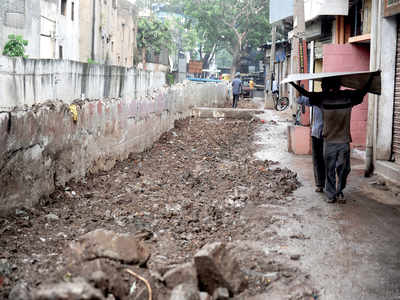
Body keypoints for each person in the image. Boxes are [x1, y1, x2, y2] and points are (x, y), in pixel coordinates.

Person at [290, 75, 374, 203]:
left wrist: (371, 78)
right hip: (328, 140)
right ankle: (331, 193)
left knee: (343, 169)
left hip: (341, 140)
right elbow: (306, 95)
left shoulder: (345, 97)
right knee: (329, 168)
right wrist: (294, 84)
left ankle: (338, 191)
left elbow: (362, 91)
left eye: (329, 85)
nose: (328, 88)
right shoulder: (324, 99)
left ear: (336, 86)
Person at [296, 91, 325, 193]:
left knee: (319, 160)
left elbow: (299, 99)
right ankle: (323, 185)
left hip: (320, 133)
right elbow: (300, 100)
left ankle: (321, 184)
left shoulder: (317, 98)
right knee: (323, 160)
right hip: (326, 134)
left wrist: (298, 88)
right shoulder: (317, 98)